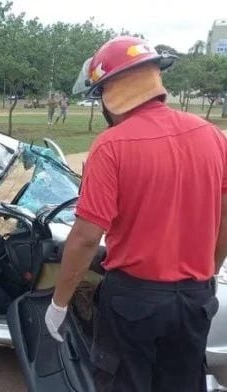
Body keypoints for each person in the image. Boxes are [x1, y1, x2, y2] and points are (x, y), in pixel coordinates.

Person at [45, 36, 225, 392]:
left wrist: (59, 302)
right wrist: (209, 272)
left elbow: (84, 237)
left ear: (111, 94)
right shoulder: (213, 137)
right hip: (195, 300)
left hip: (134, 302)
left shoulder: (112, 146)